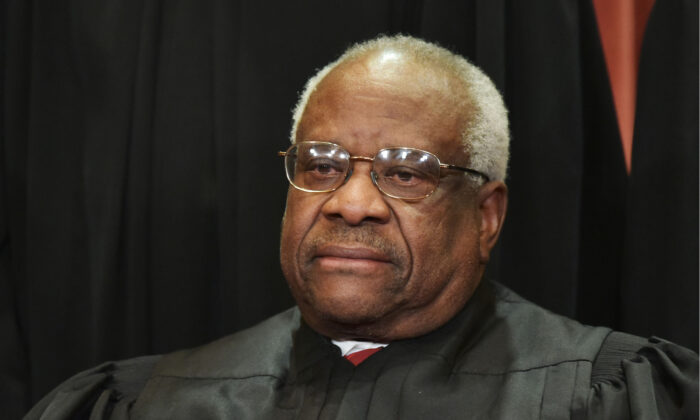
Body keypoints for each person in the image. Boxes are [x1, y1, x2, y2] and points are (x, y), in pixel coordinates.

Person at [26, 35, 697, 420]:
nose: (351, 203)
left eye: (406, 173)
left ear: (486, 216)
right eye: (321, 165)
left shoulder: (607, 398)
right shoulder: (141, 404)